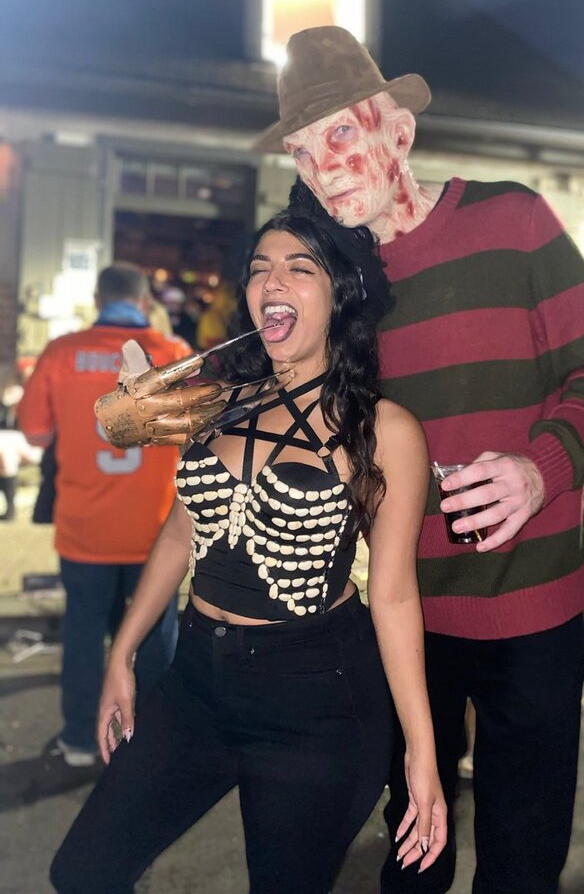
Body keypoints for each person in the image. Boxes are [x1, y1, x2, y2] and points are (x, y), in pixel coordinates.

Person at [252, 26, 584, 894]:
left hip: (534, 595)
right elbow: (286, 396)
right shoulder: (337, 282)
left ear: (398, 129)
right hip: (405, 607)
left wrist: (540, 470)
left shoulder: (514, 220)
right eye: (303, 152)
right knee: (414, 842)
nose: (323, 166)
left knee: (524, 847)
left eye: (339, 133)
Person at [49, 210, 447, 894]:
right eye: (261, 269)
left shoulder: (385, 430)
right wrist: (123, 652)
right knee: (83, 870)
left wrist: (422, 752)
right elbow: (180, 533)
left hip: (316, 697)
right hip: (196, 680)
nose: (273, 282)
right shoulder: (221, 404)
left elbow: (394, 595)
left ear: (341, 295)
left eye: (299, 268)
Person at [18, 263, 187, 767]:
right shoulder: (173, 354)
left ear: (98, 299)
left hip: (84, 528)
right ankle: (150, 742)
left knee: (84, 633)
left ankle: (78, 739)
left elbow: (34, 435)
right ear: (145, 301)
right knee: (153, 635)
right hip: (155, 531)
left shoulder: (60, 353)